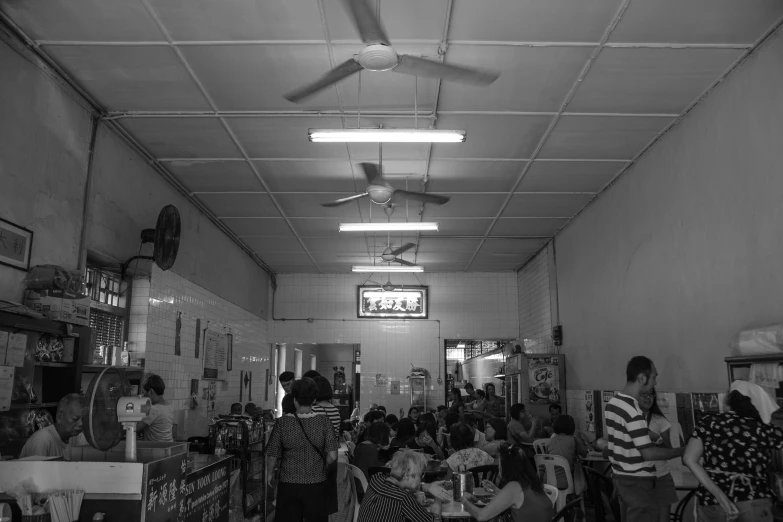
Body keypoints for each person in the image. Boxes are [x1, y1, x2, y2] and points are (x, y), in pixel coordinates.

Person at [684, 380, 783, 522]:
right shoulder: (765, 429)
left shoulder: (709, 422)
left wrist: (719, 495)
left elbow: (689, 459)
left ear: (729, 400)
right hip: (754, 499)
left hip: (713, 502)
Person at [605, 356, 684, 522]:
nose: (655, 382)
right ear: (641, 378)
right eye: (654, 377)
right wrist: (682, 451)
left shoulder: (613, 403)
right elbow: (648, 453)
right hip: (638, 482)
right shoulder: (633, 411)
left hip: (620, 478)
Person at [266, 377, 339, 522]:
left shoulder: (282, 423)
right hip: (316, 483)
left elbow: (272, 453)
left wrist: (269, 474)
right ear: (313, 400)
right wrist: (322, 467)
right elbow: (333, 456)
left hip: (288, 483)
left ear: (294, 400)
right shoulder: (324, 422)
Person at [461, 442, 554, 522]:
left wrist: (464, 500)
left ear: (507, 466)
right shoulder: (532, 482)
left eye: (500, 463)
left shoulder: (514, 486)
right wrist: (496, 490)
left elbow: (481, 516)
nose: (498, 466)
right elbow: (521, 500)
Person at [356, 450, 451, 522]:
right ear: (407, 475)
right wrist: (438, 497)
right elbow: (435, 520)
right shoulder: (403, 498)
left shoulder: (376, 478)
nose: (421, 479)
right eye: (420, 475)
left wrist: (428, 487)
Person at [639, 390, 678, 522]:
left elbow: (668, 451)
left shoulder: (659, 420)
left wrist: (656, 439)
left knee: (663, 518)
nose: (648, 398)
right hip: (639, 478)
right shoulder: (630, 420)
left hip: (661, 476)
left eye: (651, 395)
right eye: (644, 394)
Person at [19, 393, 87, 458]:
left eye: (84, 419)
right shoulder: (41, 440)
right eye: (75, 419)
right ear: (59, 417)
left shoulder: (79, 437)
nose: (81, 424)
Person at [547, 414, 588, 490]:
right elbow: (584, 454)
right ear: (572, 427)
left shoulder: (551, 440)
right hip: (567, 480)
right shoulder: (573, 440)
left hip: (549, 480)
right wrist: (578, 436)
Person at [137, 374, 173, 442]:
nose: (143, 395)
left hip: (156, 449)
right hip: (167, 446)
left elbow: (135, 428)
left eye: (144, 392)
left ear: (151, 391)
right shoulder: (168, 406)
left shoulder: (153, 410)